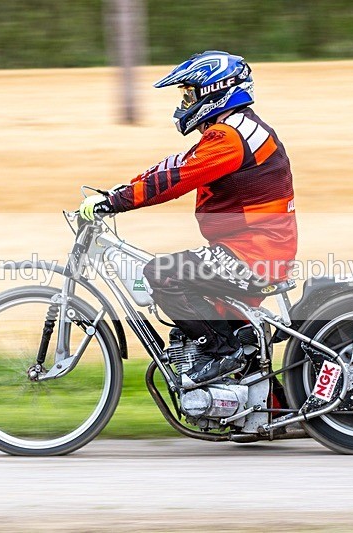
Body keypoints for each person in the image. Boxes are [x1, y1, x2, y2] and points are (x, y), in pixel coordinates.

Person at [79, 50, 297, 388]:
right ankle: (260, 399)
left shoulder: (230, 137)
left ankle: (222, 354)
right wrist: (118, 192)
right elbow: (172, 165)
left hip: (253, 254)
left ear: (215, 91)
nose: (185, 102)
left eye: (189, 93)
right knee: (214, 316)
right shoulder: (231, 130)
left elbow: (176, 179)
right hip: (253, 248)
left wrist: (116, 203)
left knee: (162, 274)